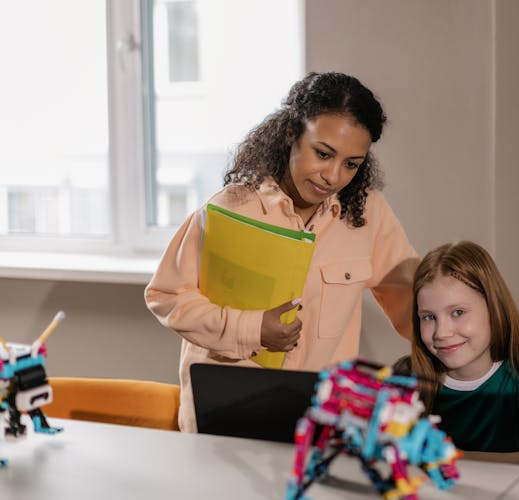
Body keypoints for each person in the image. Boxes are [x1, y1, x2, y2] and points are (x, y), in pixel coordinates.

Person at [145, 72, 418, 432]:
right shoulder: (230, 208)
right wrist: (252, 329)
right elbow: (166, 296)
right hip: (227, 418)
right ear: (291, 133)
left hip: (320, 422)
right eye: (323, 154)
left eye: (351, 164)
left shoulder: (369, 214)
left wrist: (466, 352)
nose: (333, 176)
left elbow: (414, 299)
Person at [396, 240, 519, 469]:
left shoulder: (516, 385)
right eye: (428, 317)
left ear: (494, 310)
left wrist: (456, 459)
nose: (441, 333)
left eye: (458, 312)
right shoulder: (409, 379)